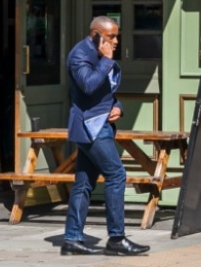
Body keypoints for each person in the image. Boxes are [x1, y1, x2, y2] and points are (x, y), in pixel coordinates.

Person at [60, 17, 149, 257]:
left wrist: (118, 106)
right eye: (111, 37)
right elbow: (88, 86)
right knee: (116, 173)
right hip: (91, 127)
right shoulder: (79, 55)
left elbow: (105, 91)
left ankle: (72, 239)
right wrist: (107, 60)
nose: (116, 41)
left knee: (84, 183)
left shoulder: (101, 53)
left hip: (102, 124)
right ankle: (117, 239)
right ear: (97, 34)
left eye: (116, 36)